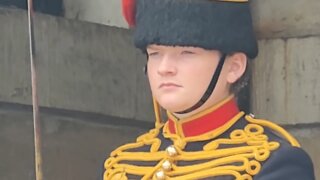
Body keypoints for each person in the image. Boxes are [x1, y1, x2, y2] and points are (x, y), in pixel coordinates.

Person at [103, 0, 315, 179]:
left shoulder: (274, 164)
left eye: (187, 53)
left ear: (234, 67)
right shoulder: (119, 166)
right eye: (155, 54)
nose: (164, 68)